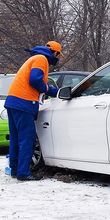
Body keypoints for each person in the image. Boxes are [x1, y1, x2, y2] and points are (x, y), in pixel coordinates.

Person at [4, 41, 61, 181]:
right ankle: (23, 173)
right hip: (24, 103)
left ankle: (15, 170)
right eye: (58, 56)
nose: (57, 59)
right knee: (26, 139)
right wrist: (49, 89)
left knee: (16, 138)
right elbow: (35, 80)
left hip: (13, 102)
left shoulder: (34, 58)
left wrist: (50, 90)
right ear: (55, 53)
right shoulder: (42, 59)